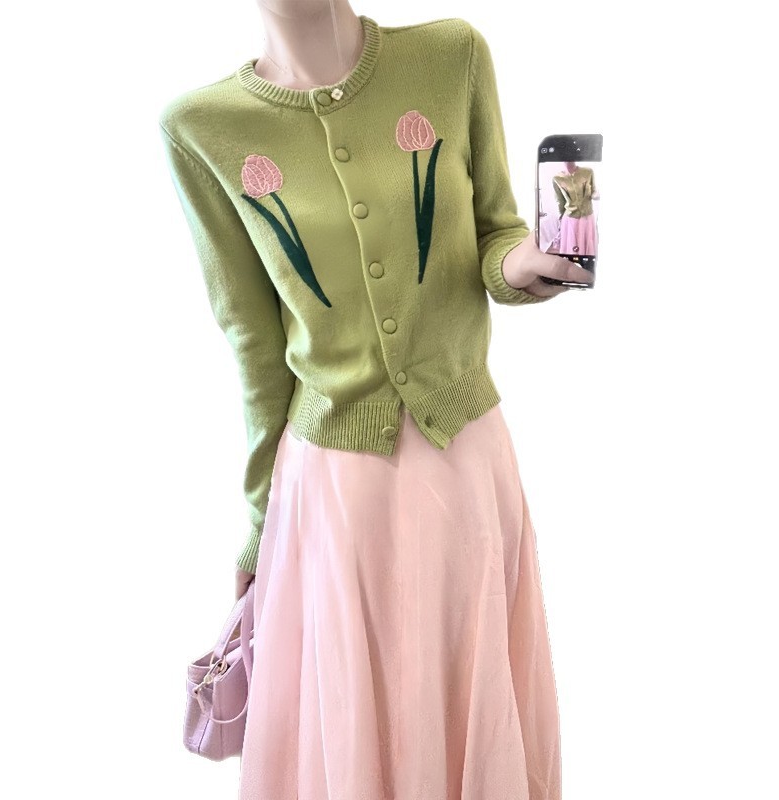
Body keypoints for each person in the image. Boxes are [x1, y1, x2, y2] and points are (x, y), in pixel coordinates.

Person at [158, 2, 591, 797]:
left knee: (465, 707)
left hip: (465, 458)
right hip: (332, 491)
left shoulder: (451, 57)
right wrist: (258, 529)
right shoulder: (201, 127)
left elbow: (494, 235)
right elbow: (254, 346)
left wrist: (526, 261)